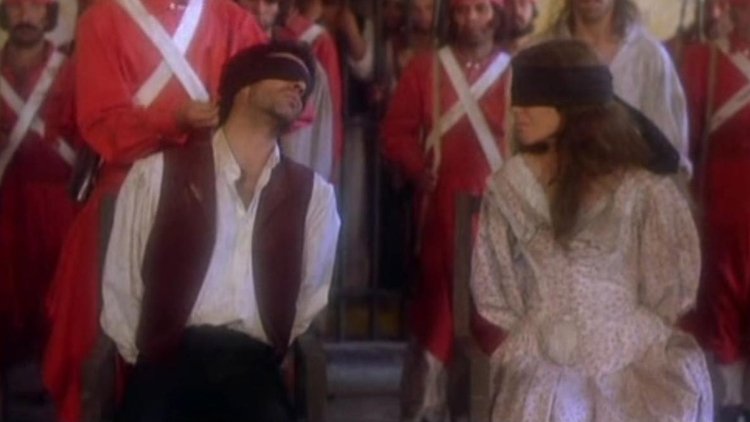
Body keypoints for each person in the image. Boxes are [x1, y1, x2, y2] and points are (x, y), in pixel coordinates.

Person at [42, 0, 267, 420]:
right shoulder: (103, 21)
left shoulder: (233, 20)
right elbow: (100, 121)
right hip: (123, 203)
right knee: (98, 351)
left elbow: (271, 108)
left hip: (211, 201)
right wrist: (173, 119)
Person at [470, 38, 713, 422]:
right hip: (542, 353)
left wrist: (619, 329)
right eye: (518, 99)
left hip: (630, 349)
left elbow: (665, 292)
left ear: (572, 107)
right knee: (548, 400)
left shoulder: (640, 190)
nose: (517, 111)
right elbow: (497, 288)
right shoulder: (510, 188)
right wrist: (542, 327)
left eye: (533, 100)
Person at [100, 41, 339, 422]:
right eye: (286, 74)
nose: (299, 85)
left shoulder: (315, 196)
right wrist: (145, 359)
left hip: (253, 369)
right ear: (243, 88)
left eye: (304, 84)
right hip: (166, 362)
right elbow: (123, 285)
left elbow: (309, 296)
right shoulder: (157, 175)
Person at [381, 0, 513, 419]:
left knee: (497, 319)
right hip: (440, 214)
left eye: (480, 9)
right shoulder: (425, 69)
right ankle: (427, 409)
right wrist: (417, 168)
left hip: (501, 217)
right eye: (461, 11)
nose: (470, 19)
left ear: (497, 14)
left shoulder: (516, 72)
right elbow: (396, 133)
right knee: (436, 317)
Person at [0, 0, 77, 416]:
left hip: (57, 208)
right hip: (4, 207)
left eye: (35, 5)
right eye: (15, 5)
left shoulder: (71, 69)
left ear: (48, 13)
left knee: (56, 312)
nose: (25, 15)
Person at [682, 1, 750, 420]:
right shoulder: (701, 62)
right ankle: (729, 400)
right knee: (722, 304)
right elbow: (684, 143)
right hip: (720, 216)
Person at [541, 0, 692, 174]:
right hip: (555, 184)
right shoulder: (540, 54)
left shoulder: (649, 57)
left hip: (632, 185)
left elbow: (670, 155)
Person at [277, 0, 342, 181]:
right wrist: (335, 158)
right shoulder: (321, 41)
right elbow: (332, 107)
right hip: (305, 145)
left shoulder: (267, 32)